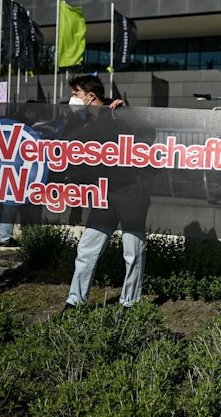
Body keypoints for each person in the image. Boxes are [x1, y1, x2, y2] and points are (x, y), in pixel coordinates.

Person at [63, 74, 149, 311]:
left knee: (132, 252)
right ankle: (75, 301)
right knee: (87, 249)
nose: (72, 99)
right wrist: (76, 204)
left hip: (132, 194)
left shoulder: (117, 112)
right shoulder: (81, 123)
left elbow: (143, 136)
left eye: (75, 94)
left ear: (90, 96)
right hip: (104, 196)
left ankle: (130, 303)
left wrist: (126, 113)